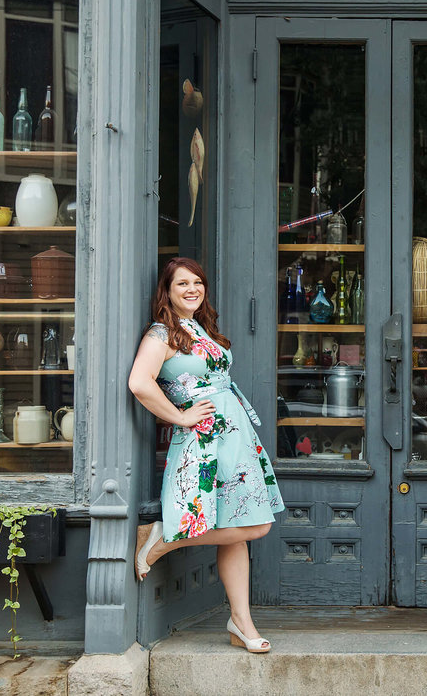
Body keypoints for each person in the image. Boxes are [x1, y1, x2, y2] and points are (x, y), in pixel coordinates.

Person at [128, 257, 285, 653]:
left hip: (233, 438)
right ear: (167, 290)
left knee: (240, 528)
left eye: (198, 282)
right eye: (182, 284)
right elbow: (139, 383)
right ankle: (165, 539)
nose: (192, 289)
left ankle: (241, 622)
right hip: (203, 442)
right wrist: (180, 416)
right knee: (257, 525)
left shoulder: (197, 327)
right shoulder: (161, 332)